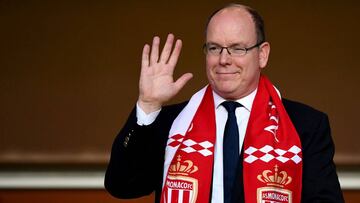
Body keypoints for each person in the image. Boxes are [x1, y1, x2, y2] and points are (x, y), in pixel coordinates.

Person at [105, 3, 344, 203]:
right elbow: (122, 186)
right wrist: (147, 105)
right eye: (215, 48)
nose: (223, 60)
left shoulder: (305, 125)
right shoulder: (173, 122)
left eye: (237, 48)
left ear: (262, 54)